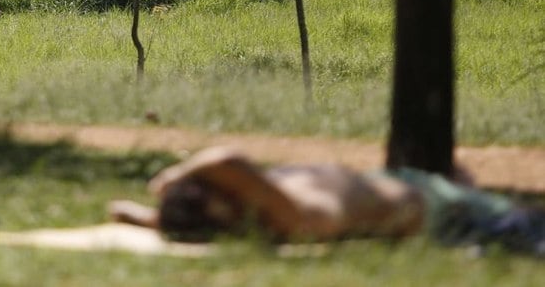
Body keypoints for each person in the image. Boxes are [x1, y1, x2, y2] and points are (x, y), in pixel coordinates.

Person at [108, 145, 545, 256]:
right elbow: (228, 161)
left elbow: (211, 207)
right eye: (223, 193)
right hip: (445, 211)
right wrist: (173, 176)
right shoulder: (293, 217)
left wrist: (147, 218)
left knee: (461, 177)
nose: (230, 189)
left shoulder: (257, 206)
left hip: (409, 187)